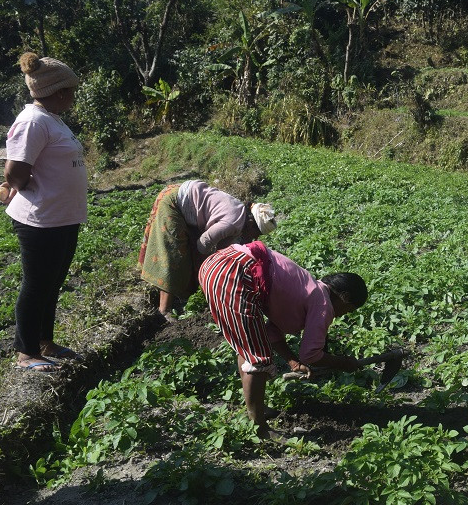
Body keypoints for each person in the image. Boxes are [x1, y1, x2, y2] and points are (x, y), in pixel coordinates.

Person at [198, 240, 367, 439]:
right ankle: (259, 427)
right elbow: (311, 354)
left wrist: (292, 361)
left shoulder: (307, 290)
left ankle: (257, 410)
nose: (342, 315)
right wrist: (342, 362)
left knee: (249, 347)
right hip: (235, 271)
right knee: (257, 357)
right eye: (349, 310)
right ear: (345, 297)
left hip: (217, 265)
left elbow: (271, 333)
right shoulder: (323, 301)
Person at [0, 52, 85, 372]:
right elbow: (15, 172)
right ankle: (26, 353)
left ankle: (45, 342)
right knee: (37, 284)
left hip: (62, 216)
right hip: (40, 219)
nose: (74, 97)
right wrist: (18, 186)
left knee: (52, 282)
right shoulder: (33, 121)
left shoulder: (51, 118)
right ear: (58, 92)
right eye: (71, 91)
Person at [138, 179, 276, 320]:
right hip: (173, 203)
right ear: (251, 224)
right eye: (257, 234)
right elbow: (203, 244)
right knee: (174, 256)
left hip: (184, 196)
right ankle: (164, 310)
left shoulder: (240, 214)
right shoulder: (232, 223)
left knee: (198, 256)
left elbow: (223, 249)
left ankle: (184, 294)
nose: (254, 239)